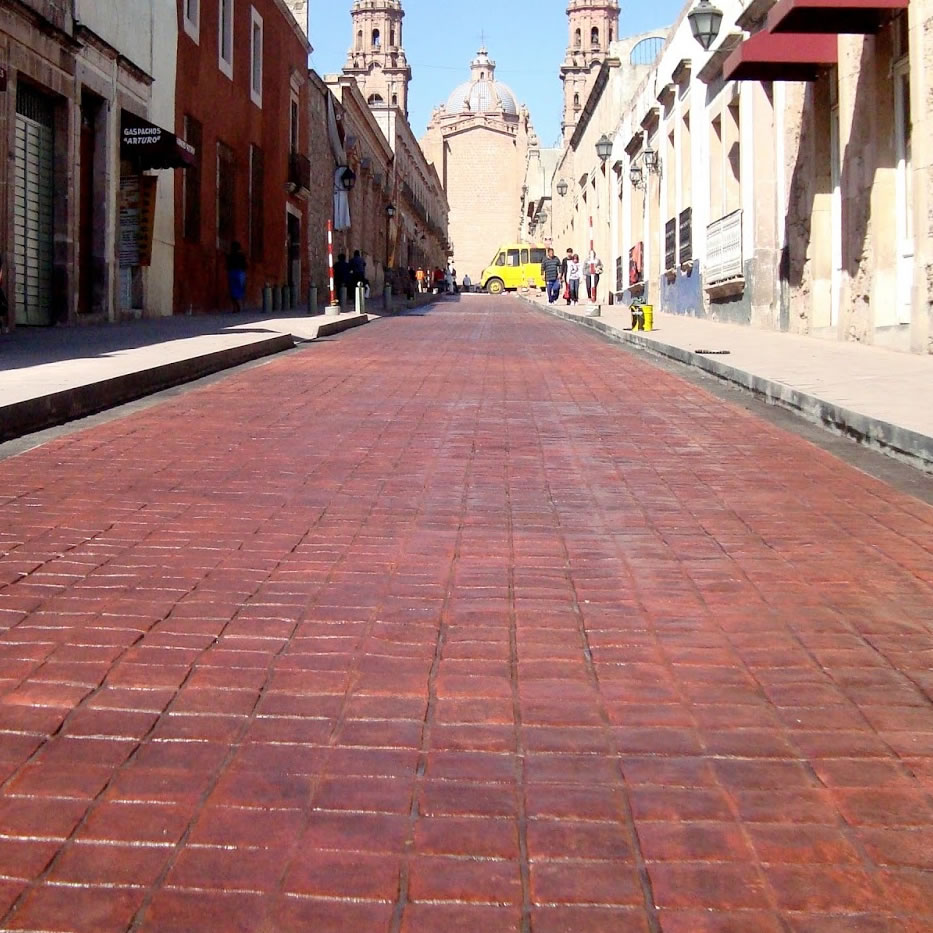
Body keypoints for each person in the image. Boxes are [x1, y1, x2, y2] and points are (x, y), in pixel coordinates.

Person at [226, 241, 247, 313]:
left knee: (232, 290)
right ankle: (239, 305)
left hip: (232, 272)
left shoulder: (230, 255)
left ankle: (235, 306)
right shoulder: (242, 256)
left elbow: (227, 265)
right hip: (240, 273)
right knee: (240, 289)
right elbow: (245, 265)